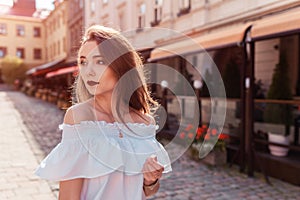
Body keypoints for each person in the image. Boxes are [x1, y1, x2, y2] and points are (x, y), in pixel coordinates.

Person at [35, 25, 172, 200]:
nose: (88, 71)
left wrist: (150, 180)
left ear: (121, 67)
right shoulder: (79, 117)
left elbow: (148, 191)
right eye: (83, 62)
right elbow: (69, 197)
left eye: (99, 61)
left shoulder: (145, 123)